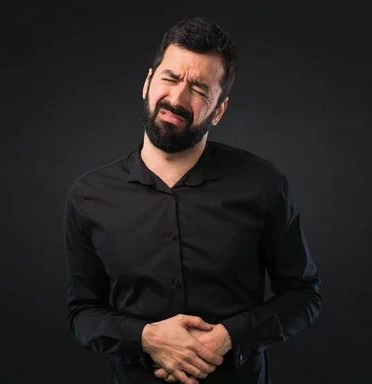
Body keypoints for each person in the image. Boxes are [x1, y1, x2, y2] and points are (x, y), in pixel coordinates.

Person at [63, 16, 321, 384]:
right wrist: (146, 339)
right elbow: (83, 313)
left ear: (219, 110)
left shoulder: (264, 184)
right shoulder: (88, 196)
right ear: (147, 83)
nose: (177, 98)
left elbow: (303, 296)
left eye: (199, 89)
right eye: (170, 78)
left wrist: (229, 338)